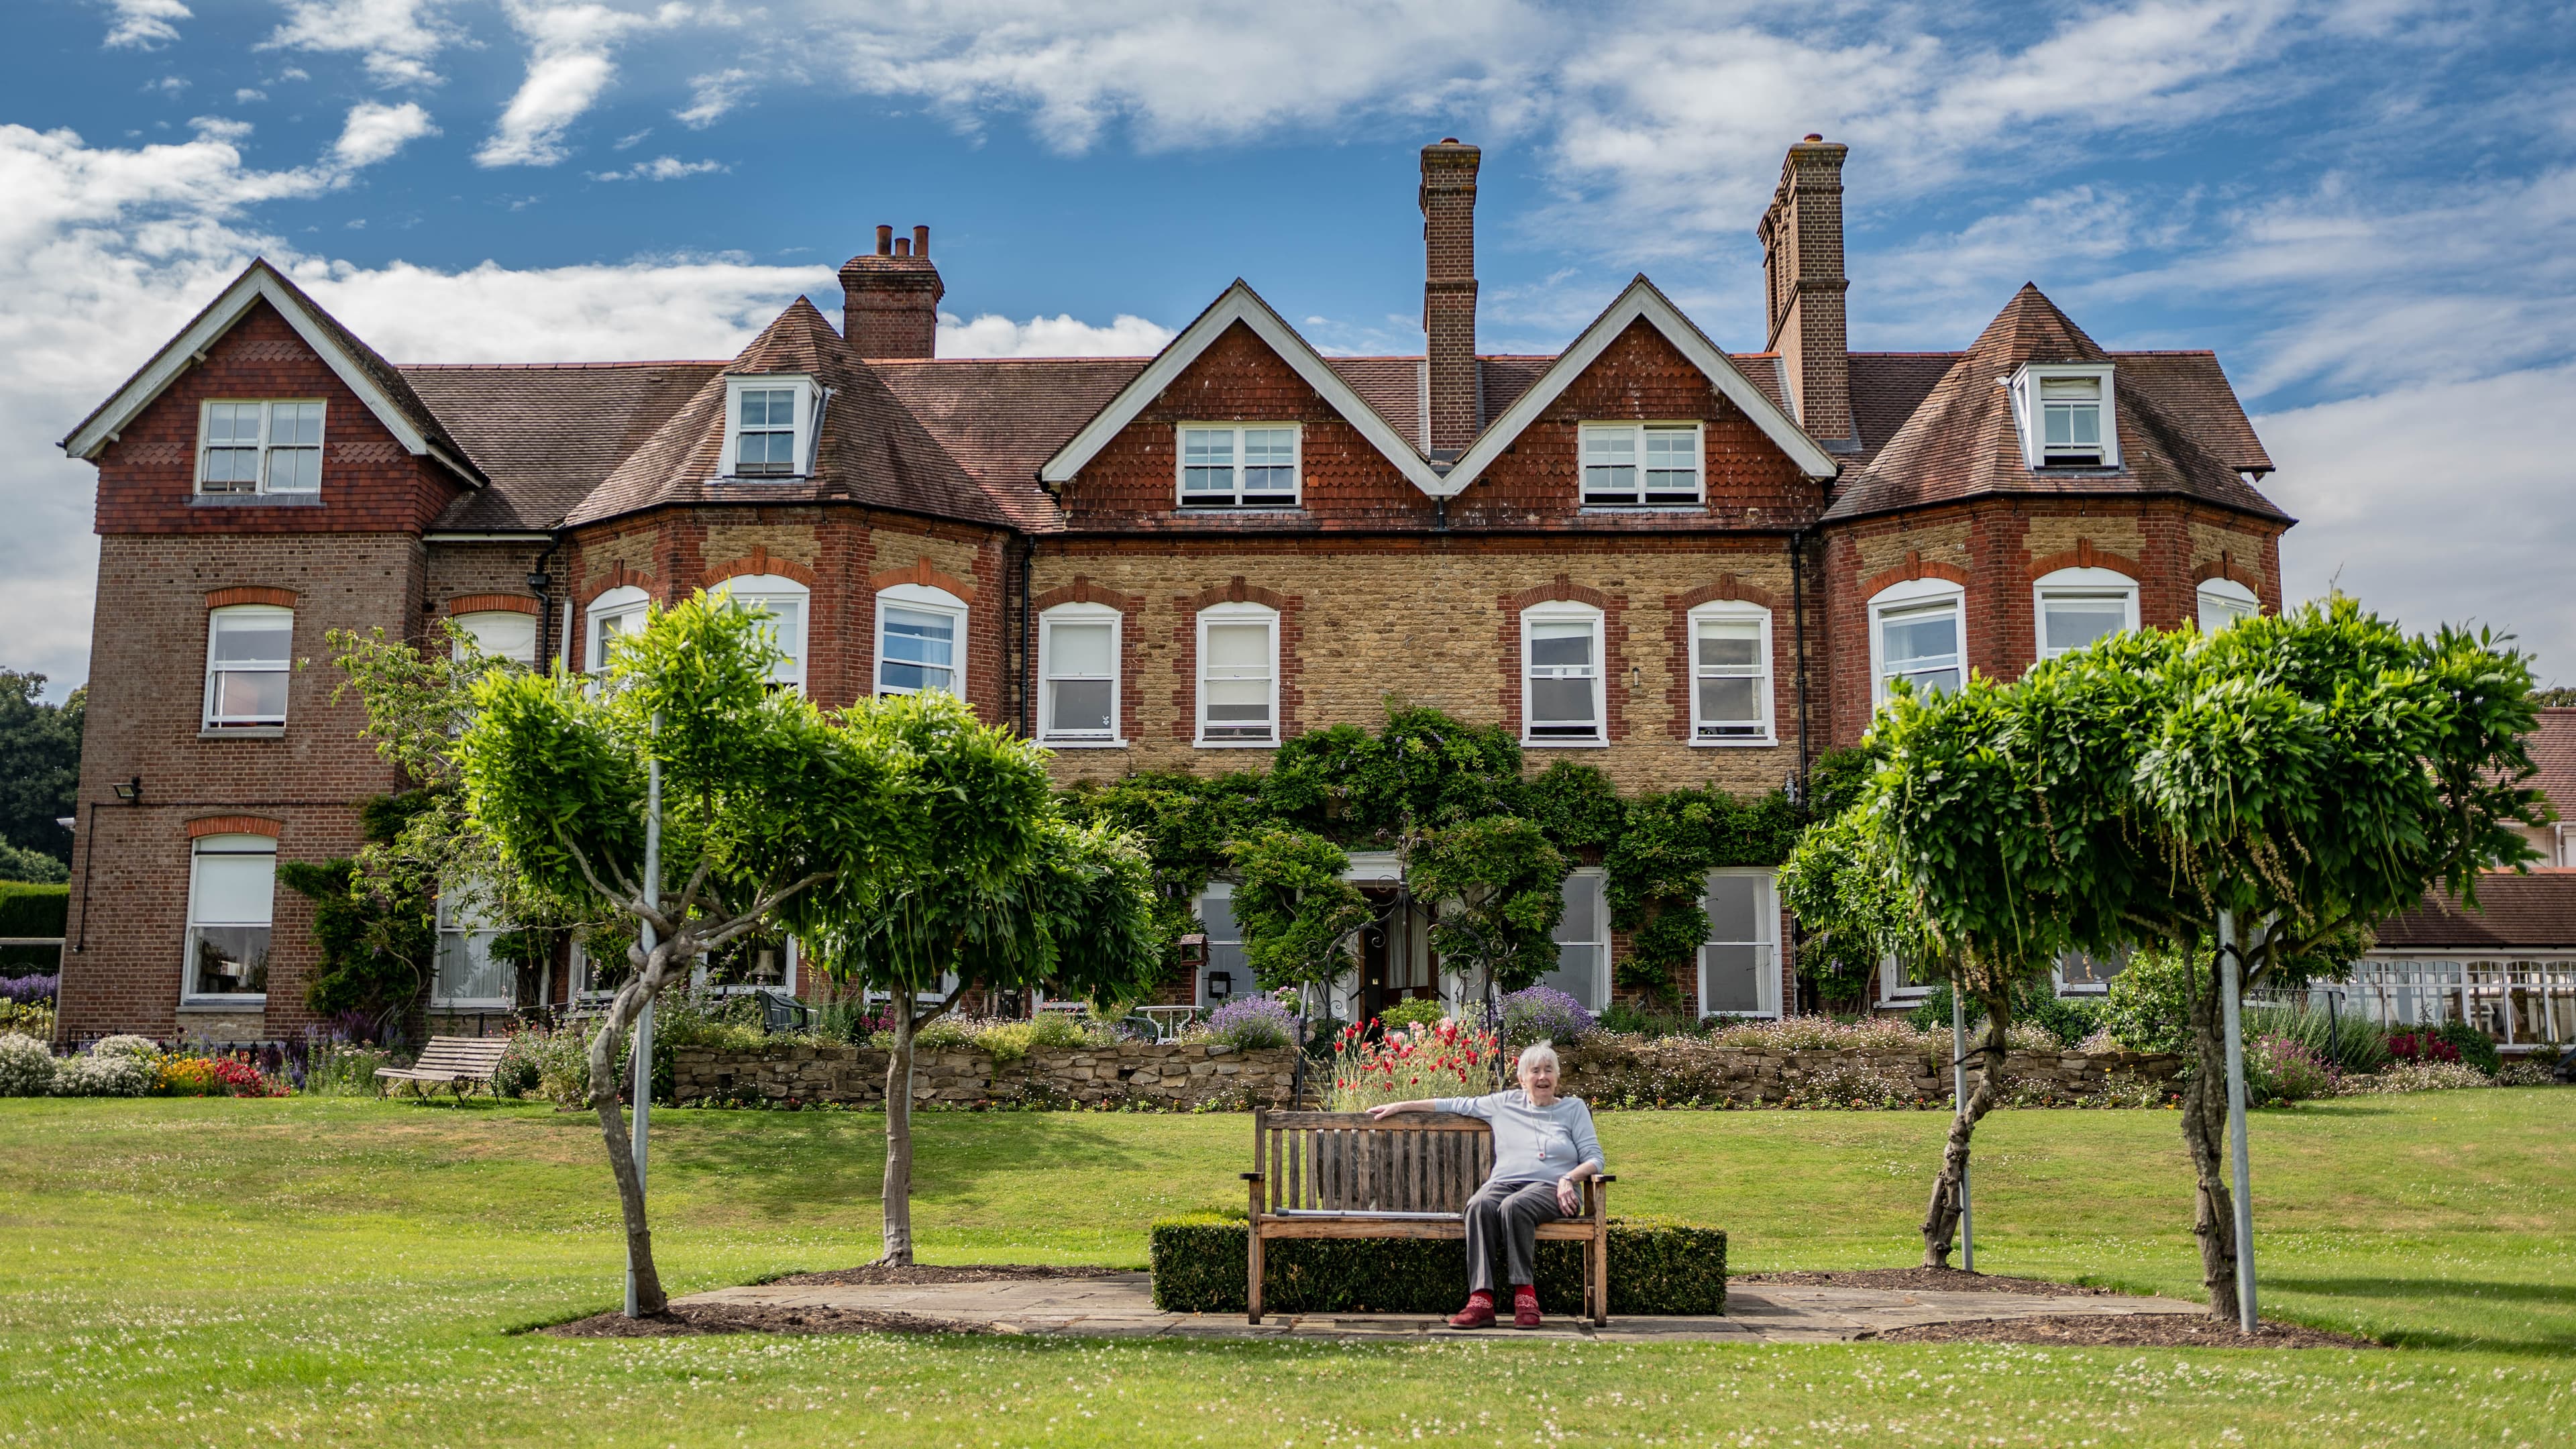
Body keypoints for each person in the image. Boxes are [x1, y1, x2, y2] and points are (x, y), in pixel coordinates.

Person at [1367, 1039, 1604, 1328]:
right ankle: (1481, 1301)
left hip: (1552, 1188)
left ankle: (1525, 1297)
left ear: (1557, 1076)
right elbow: (1452, 1104)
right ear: (1521, 1079)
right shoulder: (1503, 1103)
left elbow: (1595, 1159)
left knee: (1515, 1206)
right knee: (1479, 1204)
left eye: (1549, 1070)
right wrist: (1402, 1105)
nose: (1543, 1077)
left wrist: (1569, 1178)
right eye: (1535, 1071)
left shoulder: (1573, 1109)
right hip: (1505, 1182)